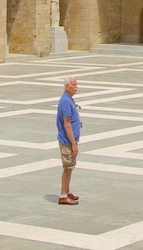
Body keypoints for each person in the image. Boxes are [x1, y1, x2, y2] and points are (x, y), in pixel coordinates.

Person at [56, 76, 81, 205]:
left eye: (76, 84)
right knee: (67, 168)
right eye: (73, 85)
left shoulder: (68, 99)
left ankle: (67, 190)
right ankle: (63, 195)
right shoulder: (65, 101)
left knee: (70, 167)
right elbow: (67, 124)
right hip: (67, 141)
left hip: (70, 140)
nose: (76, 87)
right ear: (66, 87)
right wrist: (73, 144)